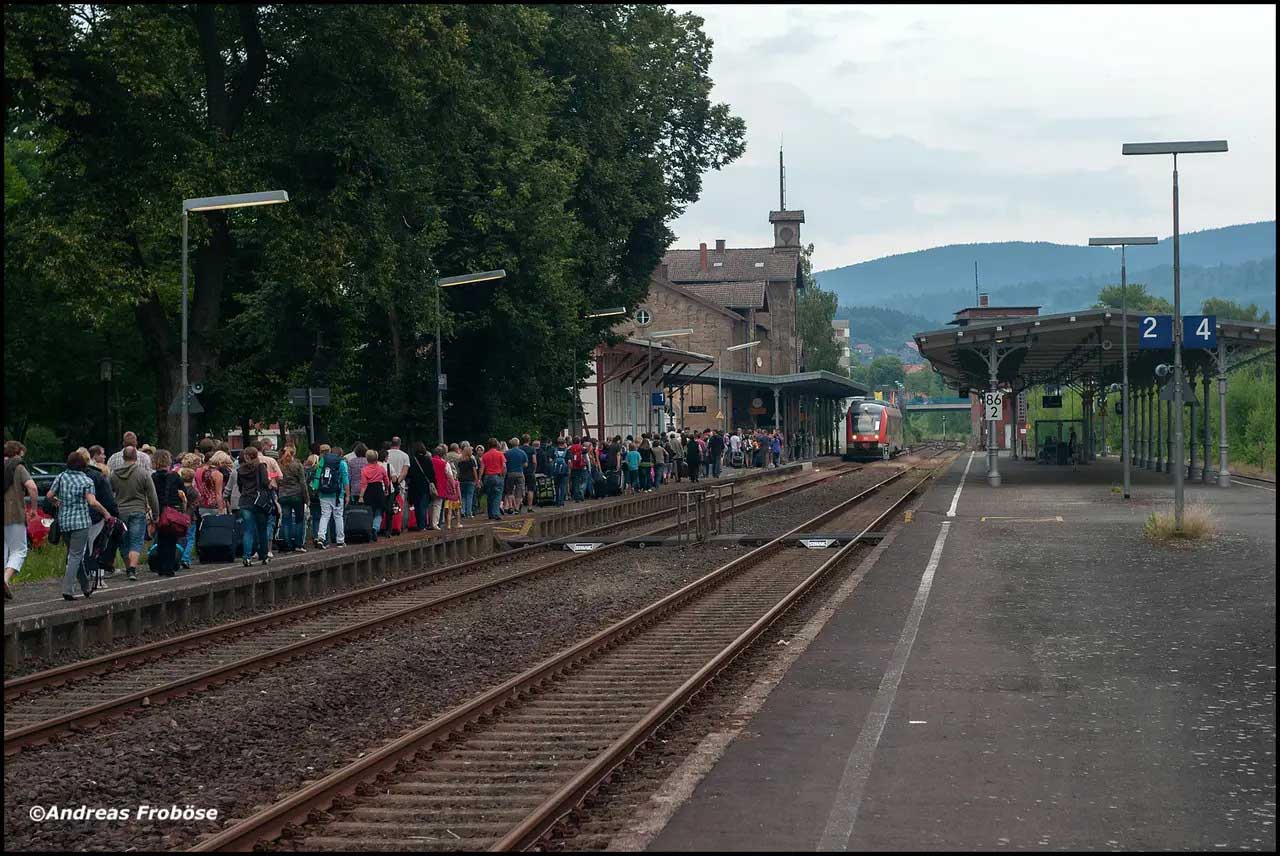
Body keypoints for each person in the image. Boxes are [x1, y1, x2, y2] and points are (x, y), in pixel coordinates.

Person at [47, 451, 111, 600]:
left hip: (64, 522)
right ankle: (67, 589)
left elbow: (49, 495)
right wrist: (106, 513)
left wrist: (55, 501)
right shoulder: (86, 481)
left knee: (75, 555)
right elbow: (92, 502)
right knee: (75, 556)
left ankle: (85, 586)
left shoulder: (61, 477)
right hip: (81, 522)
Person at [109, 445, 159, 581]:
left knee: (123, 541)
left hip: (120, 511)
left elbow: (109, 494)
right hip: (138, 510)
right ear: (136, 457)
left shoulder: (113, 475)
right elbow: (152, 496)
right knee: (136, 541)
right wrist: (156, 514)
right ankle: (132, 569)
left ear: (123, 457)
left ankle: (128, 568)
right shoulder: (143, 473)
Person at [75, 446, 119, 581]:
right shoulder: (96, 476)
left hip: (73, 517)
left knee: (76, 548)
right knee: (94, 545)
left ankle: (76, 572)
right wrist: (112, 513)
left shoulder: (66, 476)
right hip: (95, 516)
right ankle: (91, 572)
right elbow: (107, 498)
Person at [4, 441, 40, 600]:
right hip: (14, 513)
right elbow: (32, 487)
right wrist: (34, 508)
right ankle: (5, 579)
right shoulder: (18, 467)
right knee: (19, 550)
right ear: (18, 452)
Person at [150, 449, 186, 577]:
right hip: (172, 510)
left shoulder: (153, 477)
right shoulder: (175, 476)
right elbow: (183, 490)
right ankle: (169, 567)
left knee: (160, 539)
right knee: (172, 539)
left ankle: (161, 567)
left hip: (159, 509)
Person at [236, 445, 274, 566]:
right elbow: (264, 482)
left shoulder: (240, 470)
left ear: (246, 457)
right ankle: (264, 555)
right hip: (259, 502)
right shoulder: (260, 466)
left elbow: (240, 486)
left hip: (245, 501)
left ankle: (247, 557)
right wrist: (270, 485)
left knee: (248, 530)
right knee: (262, 530)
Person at [277, 446, 309, 552]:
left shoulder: (279, 465)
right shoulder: (297, 465)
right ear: (293, 453)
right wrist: (306, 498)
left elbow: (277, 480)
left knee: (286, 521)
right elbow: (302, 482)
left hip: (283, 496)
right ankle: (298, 544)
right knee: (299, 520)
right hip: (297, 495)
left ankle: (288, 545)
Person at [357, 448, 391, 541]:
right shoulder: (381, 468)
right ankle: (375, 528)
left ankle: (369, 530)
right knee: (379, 511)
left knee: (370, 511)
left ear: (367, 459)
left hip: (368, 491)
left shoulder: (364, 470)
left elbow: (363, 484)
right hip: (378, 490)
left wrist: (361, 496)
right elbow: (386, 480)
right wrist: (386, 489)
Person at [503, 438, 527, 515]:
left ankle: (510, 506)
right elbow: (525, 464)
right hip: (519, 473)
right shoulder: (522, 452)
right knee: (519, 491)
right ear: (518, 443)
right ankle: (517, 508)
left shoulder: (507, 453)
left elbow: (504, 463)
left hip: (510, 473)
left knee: (509, 491)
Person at [549, 437, 571, 507]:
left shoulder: (553, 450)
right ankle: (561, 501)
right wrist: (569, 469)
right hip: (564, 471)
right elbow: (569, 461)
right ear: (564, 443)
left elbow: (550, 460)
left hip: (555, 471)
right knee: (562, 486)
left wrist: (553, 468)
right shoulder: (567, 451)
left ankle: (557, 501)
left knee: (556, 486)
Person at [522, 435, 538, 512]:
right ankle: (529, 507)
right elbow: (534, 461)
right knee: (530, 489)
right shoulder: (532, 449)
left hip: (521, 471)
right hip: (530, 471)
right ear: (529, 440)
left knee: (520, 489)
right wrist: (534, 470)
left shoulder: (520, 449)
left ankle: (518, 506)